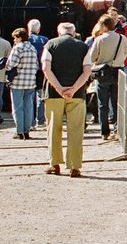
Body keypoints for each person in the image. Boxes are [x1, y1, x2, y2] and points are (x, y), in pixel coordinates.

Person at [42, 22, 92, 177]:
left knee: (53, 129)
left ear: (59, 32)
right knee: (76, 130)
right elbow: (87, 71)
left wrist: (58, 88)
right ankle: (75, 167)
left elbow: (45, 68)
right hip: (76, 96)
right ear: (74, 32)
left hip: (53, 94)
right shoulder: (84, 47)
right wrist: (73, 89)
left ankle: (54, 164)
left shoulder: (50, 44)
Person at [89, 15, 127, 141]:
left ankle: (104, 131)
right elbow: (126, 53)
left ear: (104, 26)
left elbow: (93, 57)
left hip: (103, 73)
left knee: (103, 104)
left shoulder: (99, 40)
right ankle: (118, 130)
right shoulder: (122, 38)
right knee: (117, 103)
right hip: (118, 72)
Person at [4, 28, 38, 140]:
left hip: (18, 82)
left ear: (19, 37)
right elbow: (36, 65)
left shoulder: (18, 48)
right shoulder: (32, 48)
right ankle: (27, 131)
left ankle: (19, 132)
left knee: (17, 107)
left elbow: (10, 65)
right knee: (28, 107)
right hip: (30, 82)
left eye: (15, 38)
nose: (14, 40)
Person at [26, 19, 49, 130]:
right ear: (38, 29)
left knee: (29, 96)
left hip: (28, 71)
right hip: (41, 70)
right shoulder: (44, 40)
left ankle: (30, 123)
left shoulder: (25, 40)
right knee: (40, 95)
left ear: (28, 28)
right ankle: (40, 120)